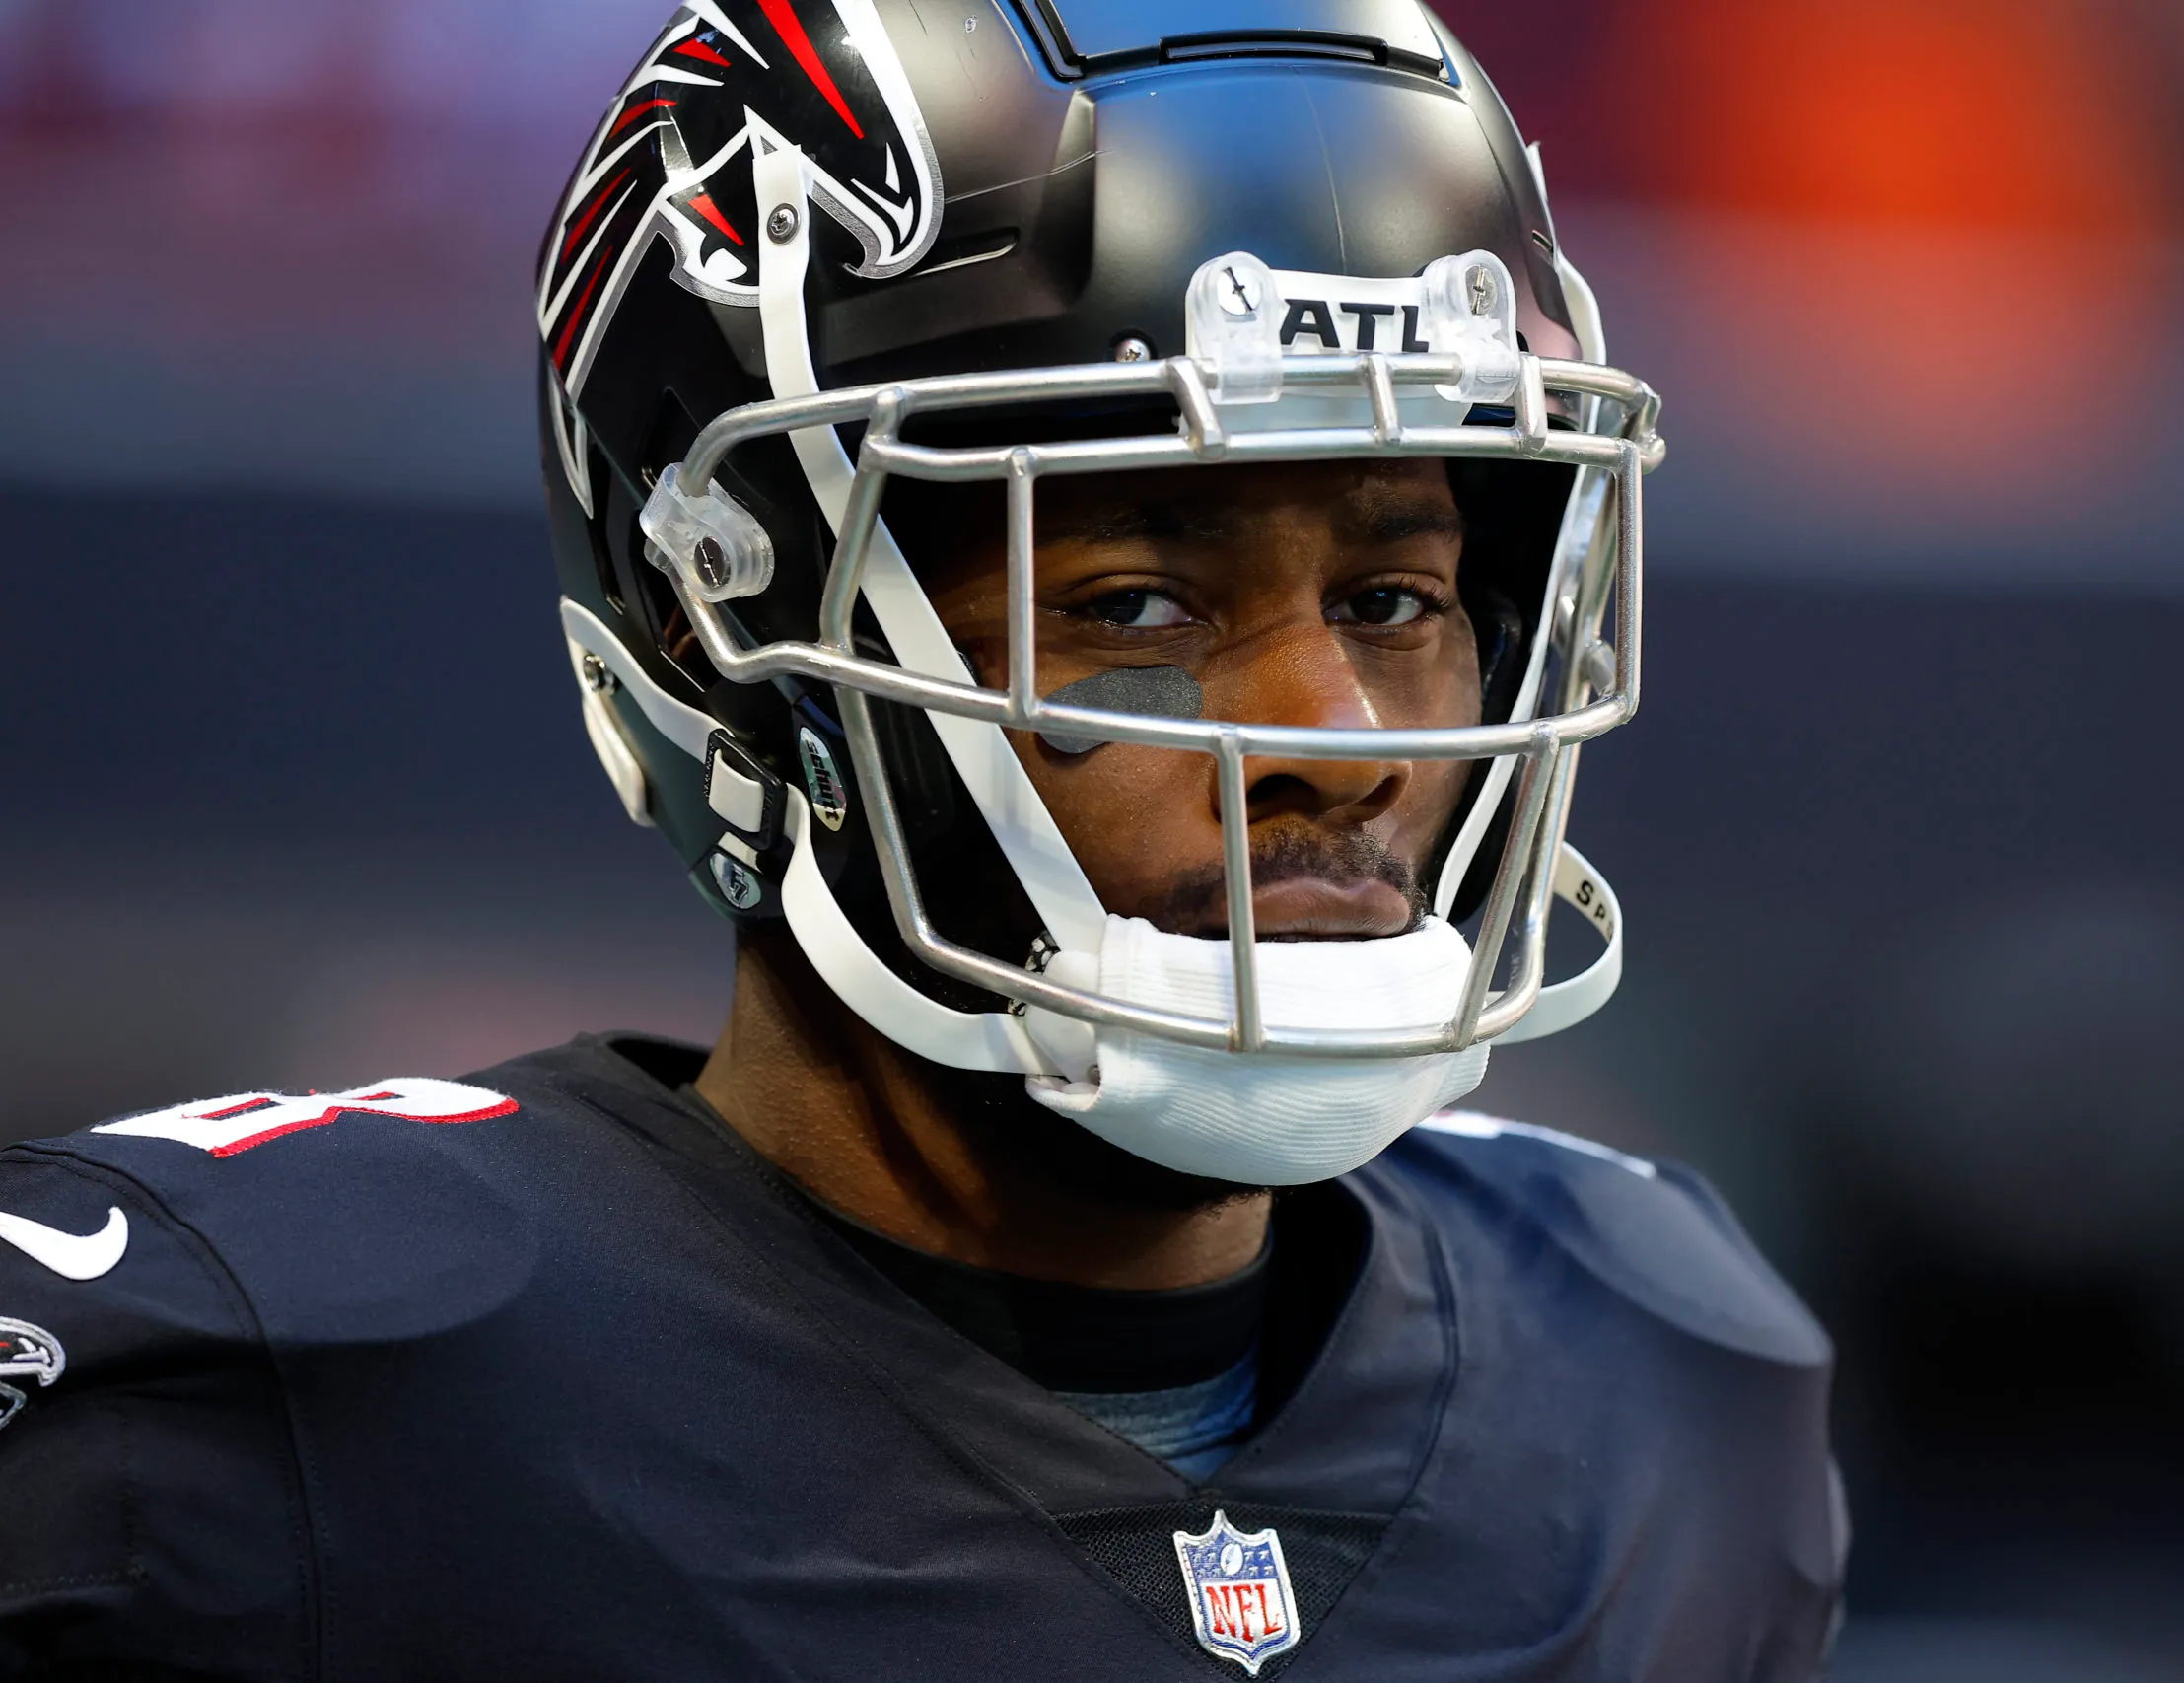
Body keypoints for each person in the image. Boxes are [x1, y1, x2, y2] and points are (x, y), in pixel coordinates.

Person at [0, 2, 1843, 1676]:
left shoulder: (1660, 1368)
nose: (1334, 747)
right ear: (713, 632)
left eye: (1389, 596)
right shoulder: (244, 1396)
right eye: (1132, 603)